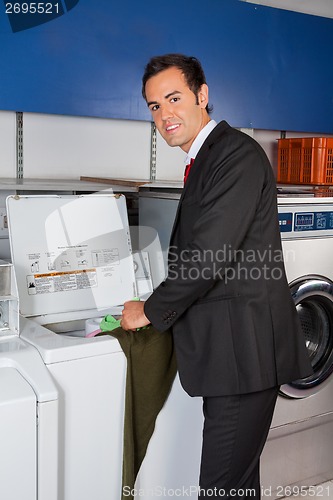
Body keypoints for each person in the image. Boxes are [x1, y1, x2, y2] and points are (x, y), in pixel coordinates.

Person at [121, 53, 312, 499]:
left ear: (202, 95)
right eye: (154, 106)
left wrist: (149, 310)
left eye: (174, 98)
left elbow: (208, 257)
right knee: (237, 484)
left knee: (222, 488)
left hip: (243, 355)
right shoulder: (208, 156)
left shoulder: (234, 155)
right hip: (233, 352)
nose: (164, 114)